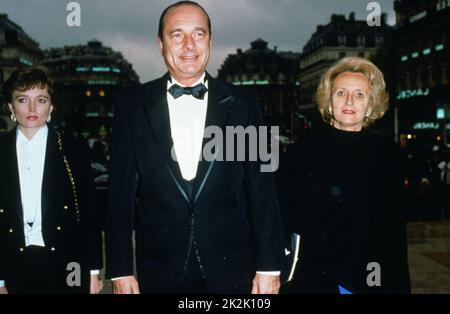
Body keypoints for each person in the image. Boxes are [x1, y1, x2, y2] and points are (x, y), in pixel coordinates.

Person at [106, 1, 284, 294]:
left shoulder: (243, 103)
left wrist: (269, 266)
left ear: (210, 41)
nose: (189, 45)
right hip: (158, 270)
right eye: (177, 35)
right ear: (160, 44)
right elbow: (119, 194)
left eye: (198, 34)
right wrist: (121, 270)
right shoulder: (132, 104)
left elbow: (262, 188)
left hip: (232, 269)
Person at [279, 57, 411, 294]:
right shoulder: (301, 152)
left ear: (371, 106)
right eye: (341, 93)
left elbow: (394, 234)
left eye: (360, 95)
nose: (349, 101)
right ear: (329, 102)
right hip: (314, 279)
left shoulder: (388, 154)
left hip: (370, 278)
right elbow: (283, 219)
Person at [0, 66, 103, 294]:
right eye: (23, 99)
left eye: (41, 100)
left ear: (52, 106)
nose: (33, 108)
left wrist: (93, 272)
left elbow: (88, 211)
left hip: (66, 262)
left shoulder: (72, 148)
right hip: (13, 261)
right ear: (10, 107)